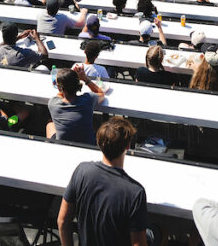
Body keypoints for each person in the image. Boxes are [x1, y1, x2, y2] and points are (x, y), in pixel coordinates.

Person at [59, 117, 151, 246]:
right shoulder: (135, 192)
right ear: (128, 146)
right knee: (159, 232)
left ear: (99, 142)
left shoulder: (82, 171)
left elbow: (63, 221)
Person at [46, 66, 105, 145]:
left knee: (50, 124)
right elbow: (101, 94)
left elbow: (60, 95)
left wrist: (66, 79)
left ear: (60, 88)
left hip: (62, 146)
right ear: (78, 85)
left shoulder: (53, 103)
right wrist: (85, 78)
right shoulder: (88, 99)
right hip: (88, 145)